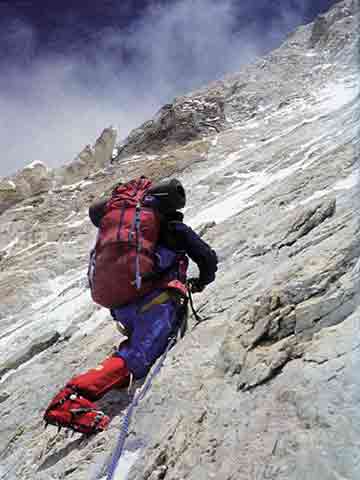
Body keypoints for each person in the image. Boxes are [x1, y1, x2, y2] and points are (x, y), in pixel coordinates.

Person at [44, 177, 217, 435]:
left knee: (132, 350)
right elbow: (207, 258)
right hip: (155, 304)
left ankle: (100, 381)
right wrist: (201, 282)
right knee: (136, 357)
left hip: (123, 306)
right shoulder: (172, 226)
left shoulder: (127, 231)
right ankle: (70, 398)